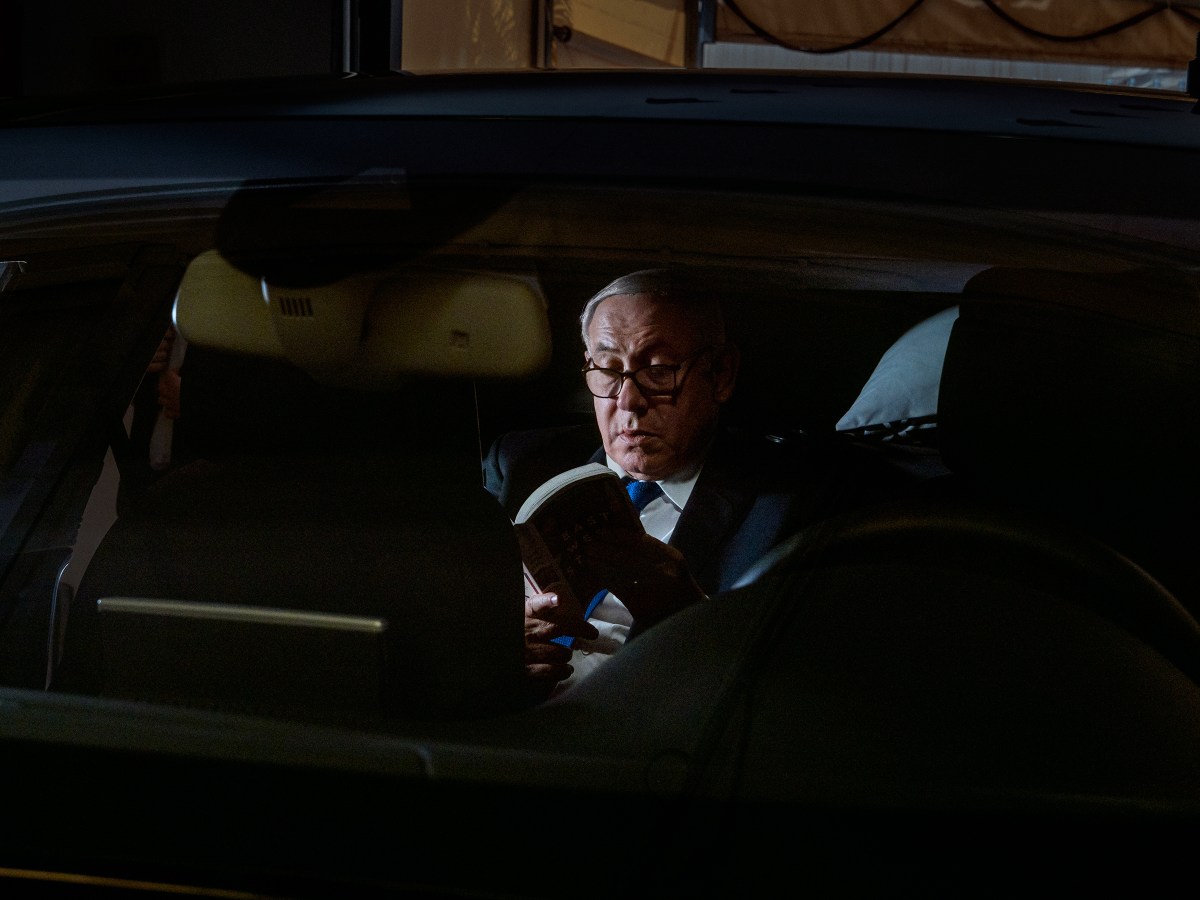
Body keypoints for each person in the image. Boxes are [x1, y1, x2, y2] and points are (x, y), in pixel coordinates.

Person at [484, 269, 871, 699]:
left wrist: (684, 613)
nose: (628, 401)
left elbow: (814, 683)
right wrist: (494, 645)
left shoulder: (802, 502)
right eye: (608, 370)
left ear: (720, 374)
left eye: (658, 370)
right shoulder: (521, 465)